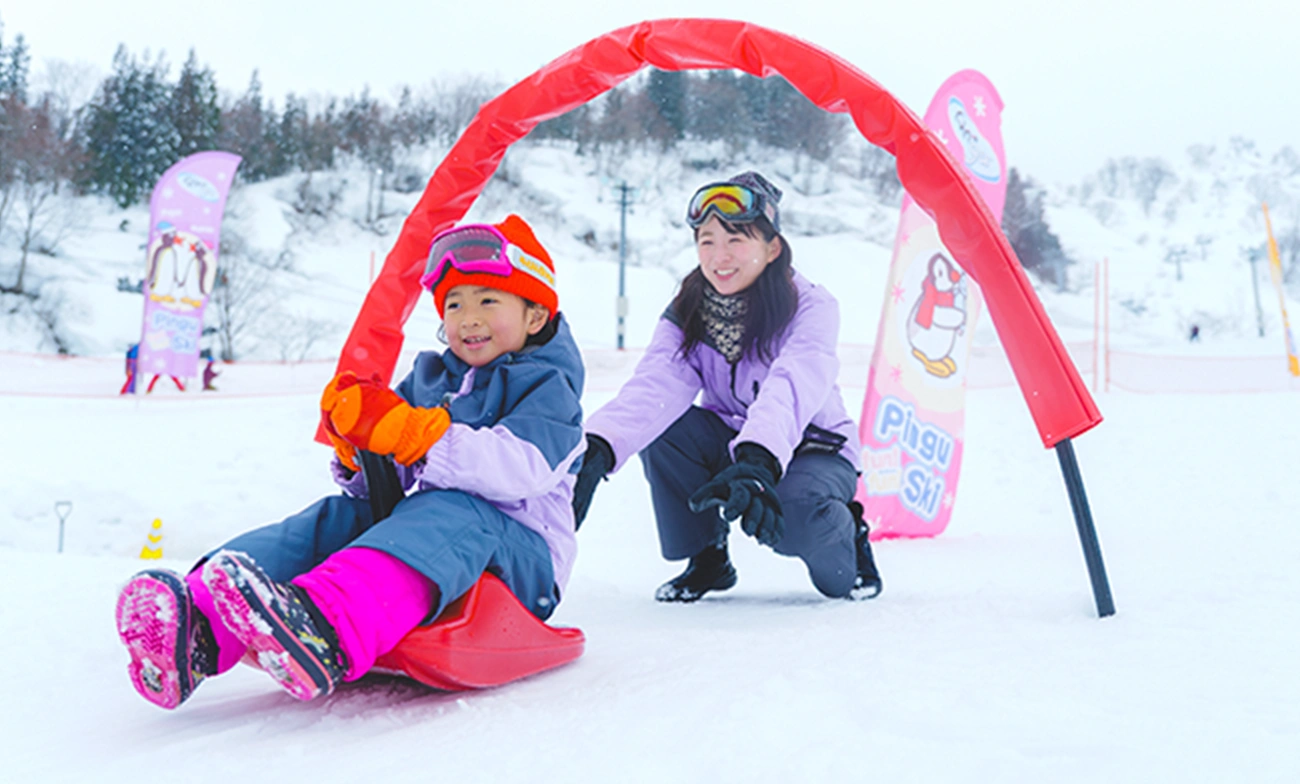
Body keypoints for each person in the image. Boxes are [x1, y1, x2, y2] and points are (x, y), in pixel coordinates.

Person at [114, 215, 585, 709]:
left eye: (488, 300)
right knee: (339, 515)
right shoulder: (431, 379)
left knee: (453, 513)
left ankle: (325, 625)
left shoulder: (549, 388)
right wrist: (361, 447)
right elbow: (388, 482)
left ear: (535, 316)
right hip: (436, 537)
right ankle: (198, 624)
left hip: (522, 557)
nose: (467, 317)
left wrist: (415, 436)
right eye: (453, 303)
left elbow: (519, 470)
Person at [573, 172, 882, 603]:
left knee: (797, 524)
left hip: (813, 449)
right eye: (706, 240)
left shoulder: (811, 306)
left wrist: (757, 461)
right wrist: (599, 447)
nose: (720, 256)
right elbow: (656, 386)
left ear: (772, 248)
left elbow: (791, 383)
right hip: (736, 441)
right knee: (665, 428)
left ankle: (847, 532)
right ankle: (708, 558)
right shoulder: (689, 310)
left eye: (736, 239)